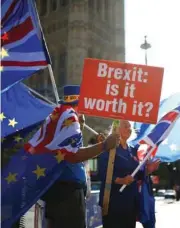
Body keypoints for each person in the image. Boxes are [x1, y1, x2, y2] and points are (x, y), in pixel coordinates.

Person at [25, 85, 120, 228]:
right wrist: (104, 145)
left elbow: (67, 148)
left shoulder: (61, 115)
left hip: (61, 193)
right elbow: (72, 155)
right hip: (67, 195)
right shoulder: (70, 116)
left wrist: (81, 131)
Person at [98, 120, 159, 228]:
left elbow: (137, 174)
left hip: (131, 204)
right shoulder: (108, 147)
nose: (129, 129)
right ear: (116, 128)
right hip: (114, 204)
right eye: (126, 126)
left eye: (130, 126)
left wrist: (148, 170)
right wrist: (121, 180)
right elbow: (102, 173)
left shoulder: (132, 150)